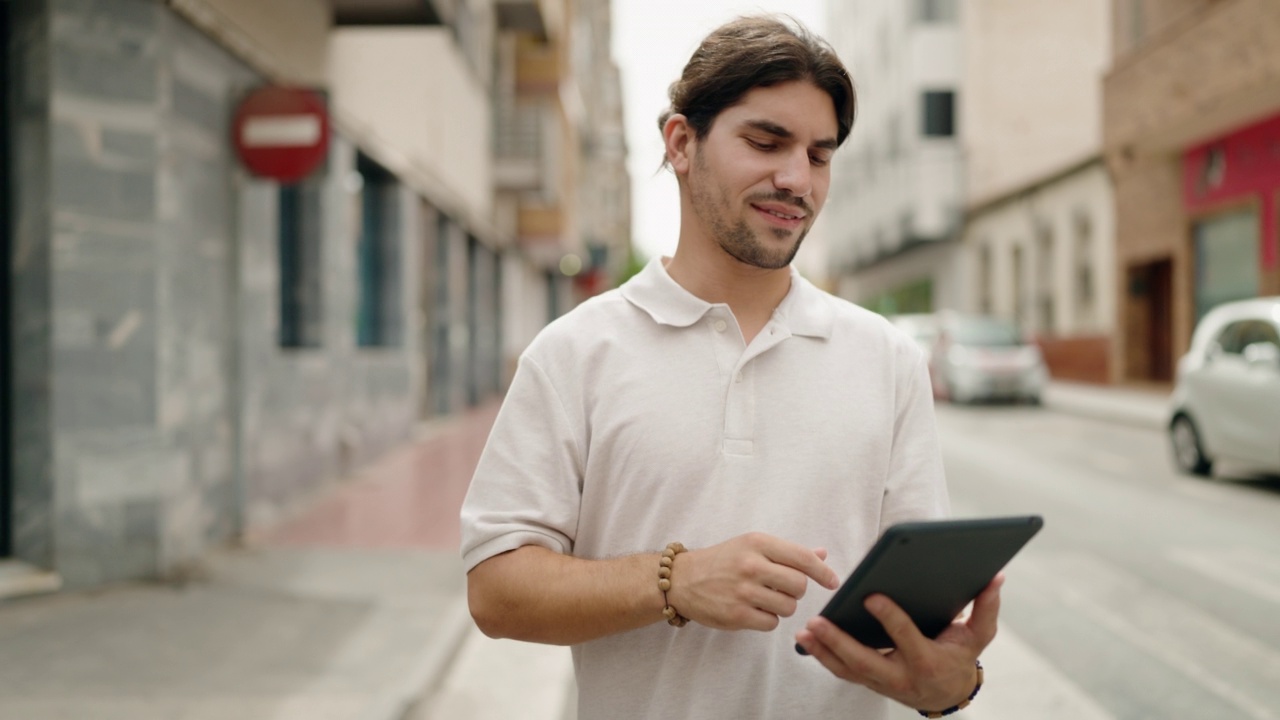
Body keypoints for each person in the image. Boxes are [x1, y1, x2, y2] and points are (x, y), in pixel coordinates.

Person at [460, 15, 1000, 720]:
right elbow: (496, 592)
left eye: (819, 154)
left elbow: (918, 620)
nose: (795, 178)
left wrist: (951, 687)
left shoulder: (888, 360)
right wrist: (674, 580)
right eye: (766, 142)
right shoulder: (575, 352)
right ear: (682, 143)